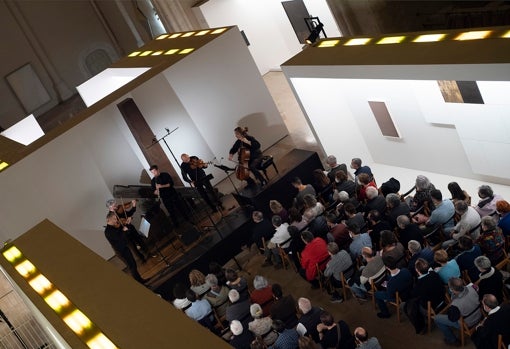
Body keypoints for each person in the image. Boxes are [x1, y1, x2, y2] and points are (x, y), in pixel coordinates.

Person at [434, 277, 482, 346]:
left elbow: (452, 319)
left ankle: (452, 340)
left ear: (452, 289)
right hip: (479, 315)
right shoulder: (472, 288)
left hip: (468, 323)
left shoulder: (455, 304)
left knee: (437, 318)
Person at [103, 211, 147, 284]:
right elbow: (119, 237)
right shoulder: (108, 231)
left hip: (124, 248)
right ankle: (141, 284)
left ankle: (141, 280)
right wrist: (124, 231)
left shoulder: (113, 227)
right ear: (108, 220)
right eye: (114, 219)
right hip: (121, 251)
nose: (116, 220)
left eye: (116, 218)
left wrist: (126, 224)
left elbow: (122, 232)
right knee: (132, 266)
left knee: (133, 264)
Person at [404, 258, 445, 334]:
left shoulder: (419, 285)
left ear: (417, 270)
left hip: (433, 307)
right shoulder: (434, 274)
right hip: (443, 300)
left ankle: (421, 326)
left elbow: (412, 295)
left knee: (410, 306)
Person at [106, 198, 150, 262]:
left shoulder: (120, 209)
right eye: (114, 206)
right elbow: (115, 228)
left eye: (115, 204)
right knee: (133, 247)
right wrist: (122, 225)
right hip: (125, 233)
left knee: (140, 241)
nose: (116, 206)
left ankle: (148, 252)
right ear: (109, 207)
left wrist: (134, 206)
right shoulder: (110, 217)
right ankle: (142, 259)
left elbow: (129, 214)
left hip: (131, 228)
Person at [375, 254, 413, 319]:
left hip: (400, 297)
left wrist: (387, 287)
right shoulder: (405, 270)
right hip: (409, 291)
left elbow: (390, 296)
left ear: (386, 267)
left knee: (376, 294)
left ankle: (385, 313)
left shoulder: (391, 284)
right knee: (388, 277)